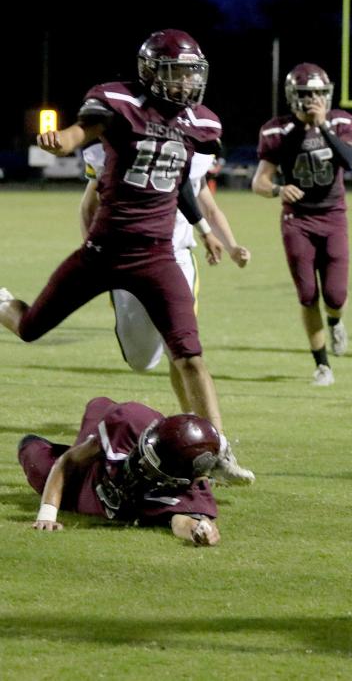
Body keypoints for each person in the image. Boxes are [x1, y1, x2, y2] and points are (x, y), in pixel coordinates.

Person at [0, 29, 253, 484]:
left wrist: (203, 229)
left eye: (191, 75)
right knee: (31, 327)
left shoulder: (202, 124)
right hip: (105, 251)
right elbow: (86, 129)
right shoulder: (118, 102)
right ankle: (1, 299)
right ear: (151, 73)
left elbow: (179, 186)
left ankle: (219, 449)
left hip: (158, 257)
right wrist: (66, 139)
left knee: (190, 355)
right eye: (175, 75)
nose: (185, 85)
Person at [82, 143, 251, 412]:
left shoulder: (193, 148)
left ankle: (196, 427)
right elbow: (89, 206)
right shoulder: (114, 146)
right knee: (141, 360)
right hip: (129, 259)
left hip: (177, 257)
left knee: (183, 352)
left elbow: (207, 207)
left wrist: (231, 246)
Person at [252, 63, 352, 386]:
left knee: (336, 296)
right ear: (292, 97)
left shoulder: (341, 122)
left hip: (333, 216)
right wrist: (277, 189)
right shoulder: (275, 130)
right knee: (308, 294)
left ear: (327, 95)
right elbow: (259, 181)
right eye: (305, 93)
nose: (312, 98)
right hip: (297, 219)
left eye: (318, 93)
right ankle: (322, 365)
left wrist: (322, 126)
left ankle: (336, 321)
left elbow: (351, 162)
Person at [20, 397, 224, 546]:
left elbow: (182, 521)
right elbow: (70, 460)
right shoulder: (130, 425)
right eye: (145, 452)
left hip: (88, 498)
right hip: (86, 476)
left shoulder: (190, 490)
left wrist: (198, 532)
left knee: (33, 449)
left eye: (151, 466)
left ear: (178, 481)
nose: (140, 463)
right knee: (31, 450)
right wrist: (47, 514)